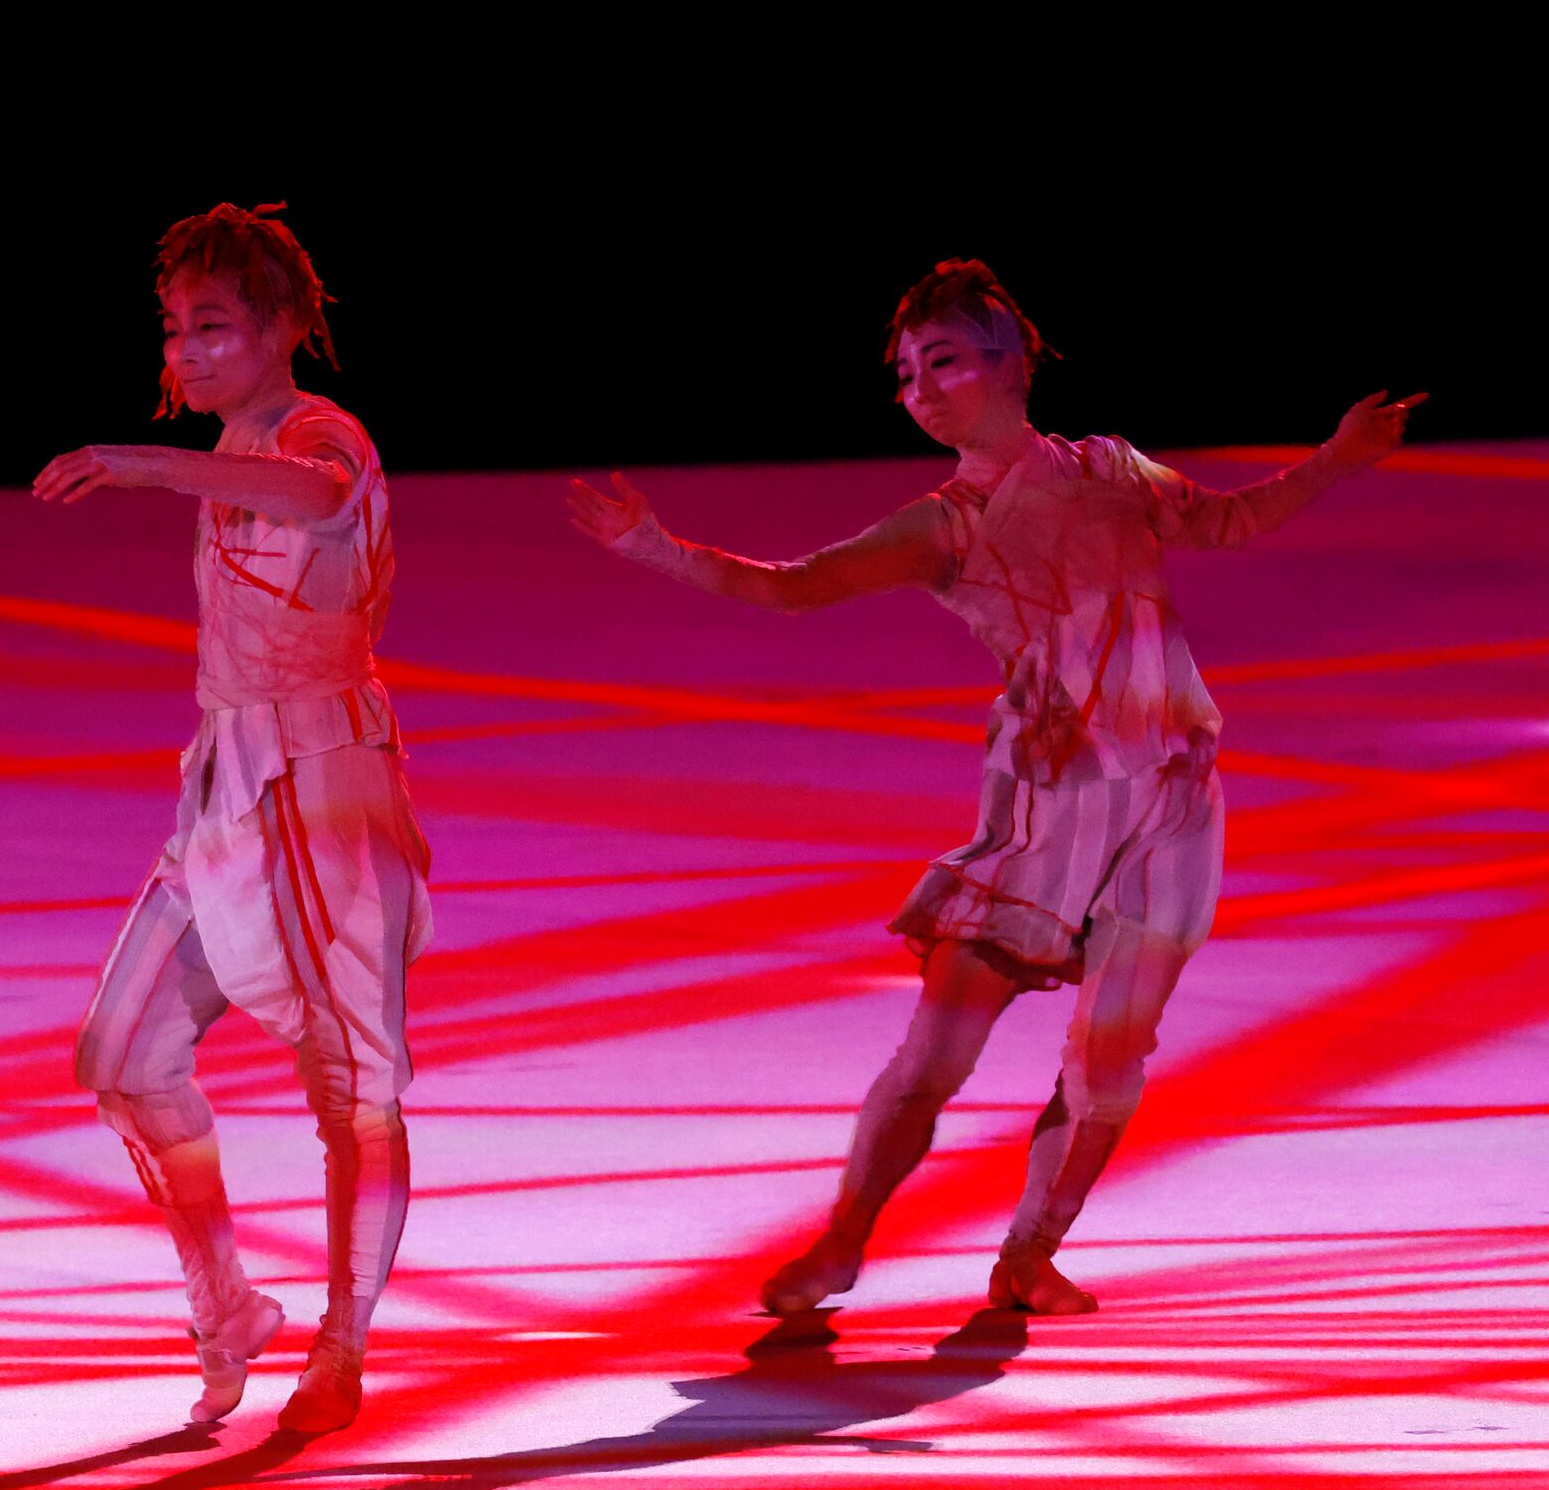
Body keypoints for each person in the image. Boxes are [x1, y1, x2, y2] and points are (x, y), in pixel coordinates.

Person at [570, 260, 1421, 1317]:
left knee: (1110, 1059)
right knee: (937, 1052)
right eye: (902, 374)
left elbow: (1225, 522)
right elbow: (788, 589)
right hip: (1045, 808)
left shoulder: (1110, 469)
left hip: (1170, 801)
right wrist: (653, 548)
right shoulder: (945, 526)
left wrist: (1338, 459)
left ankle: (1029, 1251)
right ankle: (839, 1246)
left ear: (1011, 357)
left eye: (938, 362)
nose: (915, 389)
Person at [36, 203, 432, 1433]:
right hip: (225, 783)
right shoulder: (233, 448)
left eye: (212, 326)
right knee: (121, 1055)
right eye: (172, 329)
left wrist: (145, 461)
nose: (187, 351)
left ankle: (341, 1345)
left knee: (350, 1084)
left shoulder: (323, 437)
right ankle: (228, 1301)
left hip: (322, 782)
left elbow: (313, 498)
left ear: (278, 329)